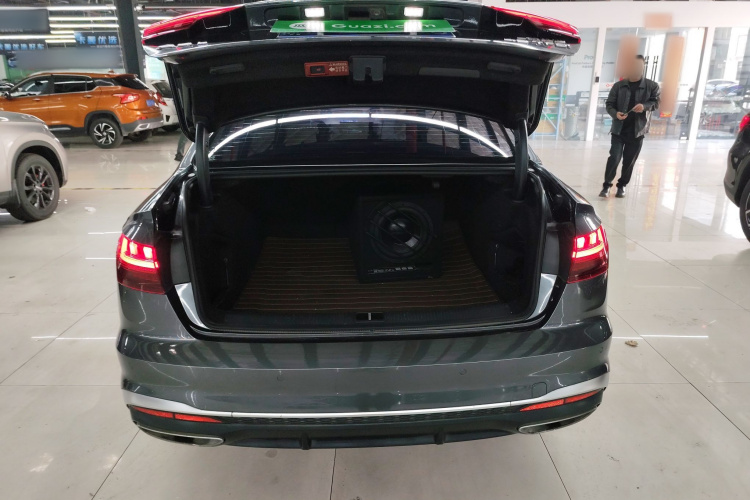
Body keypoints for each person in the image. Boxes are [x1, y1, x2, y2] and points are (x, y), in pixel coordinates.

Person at [599, 55, 660, 198]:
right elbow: (609, 104)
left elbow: (656, 103)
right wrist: (615, 114)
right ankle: (607, 185)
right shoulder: (619, 86)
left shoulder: (651, 86)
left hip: (637, 131)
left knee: (629, 160)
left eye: (639, 66)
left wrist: (644, 106)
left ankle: (622, 186)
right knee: (614, 158)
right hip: (618, 130)